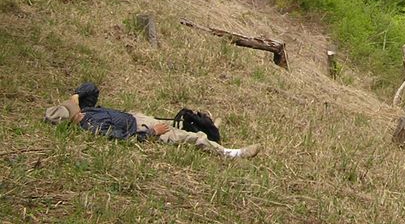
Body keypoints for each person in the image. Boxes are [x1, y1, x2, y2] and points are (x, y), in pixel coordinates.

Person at [44, 93, 260, 159]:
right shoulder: (90, 125)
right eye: (74, 109)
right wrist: (151, 133)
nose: (78, 108)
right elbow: (120, 137)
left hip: (136, 117)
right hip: (141, 128)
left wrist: (76, 95)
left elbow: (91, 89)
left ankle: (210, 128)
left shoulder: (86, 112)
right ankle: (232, 153)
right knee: (187, 137)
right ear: (73, 118)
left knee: (185, 121)